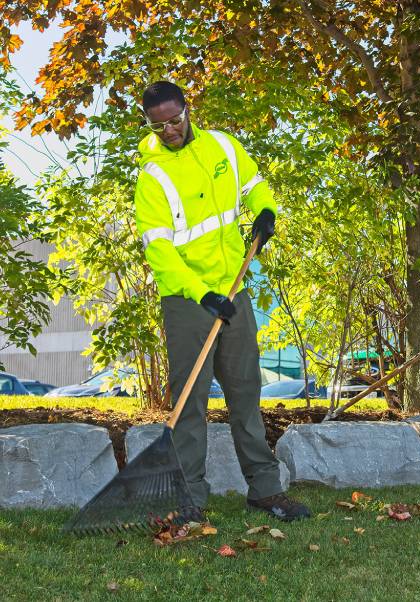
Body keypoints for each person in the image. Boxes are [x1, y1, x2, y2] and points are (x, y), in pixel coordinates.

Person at [133, 81, 310, 520]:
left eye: (175, 120)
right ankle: (189, 498)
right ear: (149, 124)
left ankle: (265, 490)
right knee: (190, 401)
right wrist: (201, 293)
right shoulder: (151, 177)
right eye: (159, 126)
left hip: (235, 290)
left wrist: (265, 211)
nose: (169, 130)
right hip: (189, 301)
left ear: (187, 111)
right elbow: (160, 252)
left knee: (246, 391)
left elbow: (254, 186)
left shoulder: (223, 147)